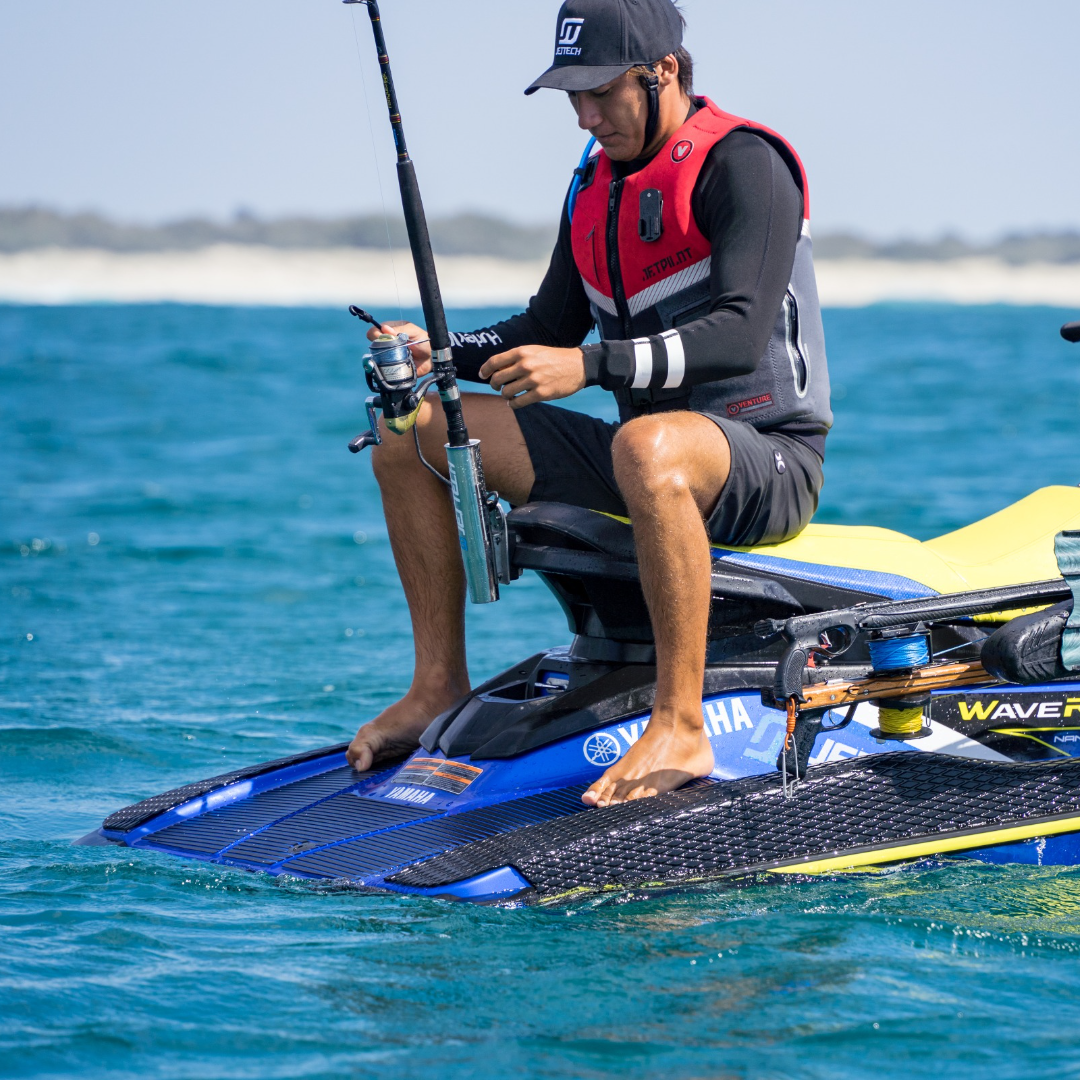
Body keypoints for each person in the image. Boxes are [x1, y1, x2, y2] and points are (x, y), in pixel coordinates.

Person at [346, 0, 832, 807]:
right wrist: (445, 351)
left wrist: (591, 366)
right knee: (412, 431)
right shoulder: (593, 183)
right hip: (643, 459)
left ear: (664, 72)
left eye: (600, 92)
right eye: (573, 95)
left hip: (766, 458)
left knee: (646, 446)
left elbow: (739, 337)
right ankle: (436, 684)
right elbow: (546, 328)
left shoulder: (745, 163)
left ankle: (680, 726)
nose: (584, 113)